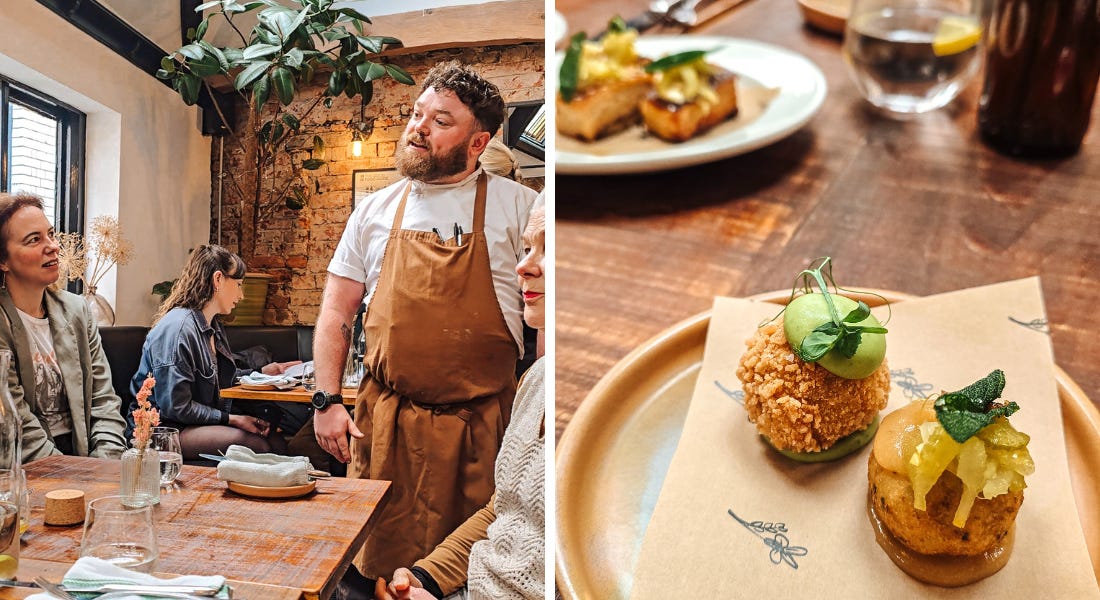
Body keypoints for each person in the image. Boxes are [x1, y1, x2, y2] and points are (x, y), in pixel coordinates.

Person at [311, 60, 538, 580]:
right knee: (368, 577)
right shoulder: (373, 211)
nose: (418, 128)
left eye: (440, 121)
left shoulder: (522, 209)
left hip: (482, 434)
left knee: (466, 576)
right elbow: (336, 311)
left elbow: (548, 318)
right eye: (418, 114)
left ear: (478, 143)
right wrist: (326, 400)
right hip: (384, 430)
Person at [375, 200, 546, 600]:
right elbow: (504, 513)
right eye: (527, 248)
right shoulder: (537, 380)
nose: (524, 266)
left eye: (551, 250)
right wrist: (425, 578)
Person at [129, 244, 296, 459]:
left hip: (191, 424)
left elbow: (221, 379)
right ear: (218, 279)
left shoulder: (212, 326)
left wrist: (261, 373)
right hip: (162, 432)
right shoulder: (178, 329)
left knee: (277, 442)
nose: (241, 295)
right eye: (238, 285)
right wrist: (232, 419)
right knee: (256, 445)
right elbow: (176, 408)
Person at [0, 192, 127, 462]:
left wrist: (104, 464)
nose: (53, 247)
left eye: (51, 235)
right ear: (3, 261)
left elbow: (104, 402)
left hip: (86, 459)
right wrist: (73, 476)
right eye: (34, 240)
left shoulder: (77, 310)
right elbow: (17, 425)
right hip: (26, 467)